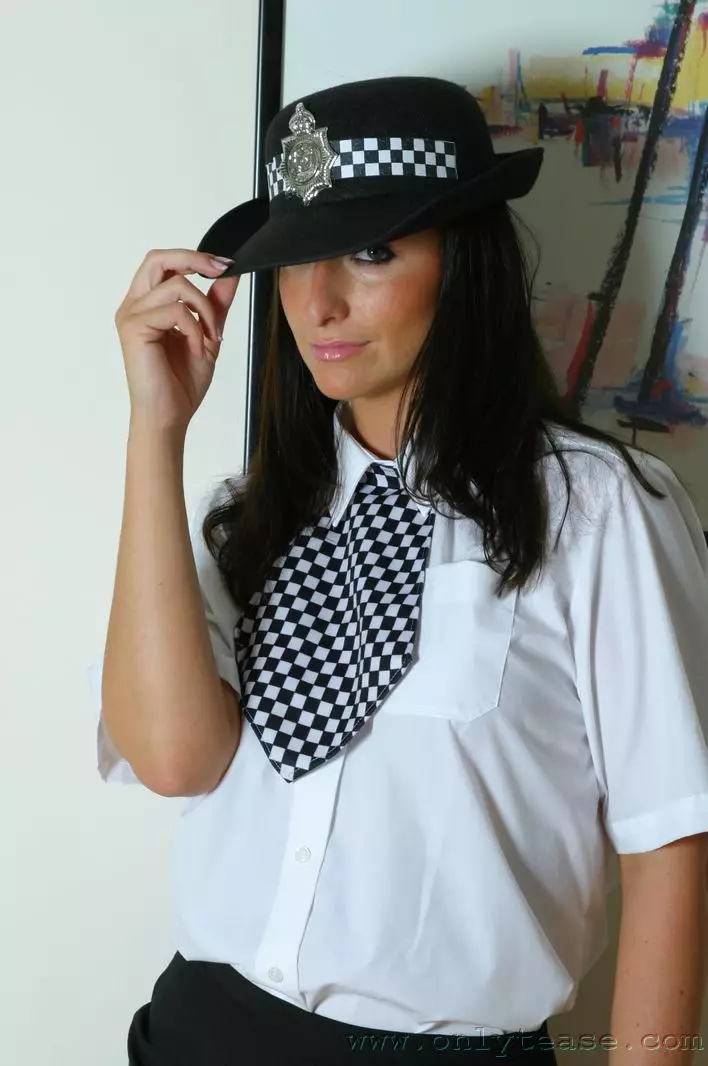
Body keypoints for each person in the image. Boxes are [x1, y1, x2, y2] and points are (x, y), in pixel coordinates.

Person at [91, 76, 708, 1066]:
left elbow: (671, 844)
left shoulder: (596, 510)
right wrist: (155, 430)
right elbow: (173, 761)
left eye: (371, 252)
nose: (319, 302)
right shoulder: (245, 514)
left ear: (463, 263)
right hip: (199, 1032)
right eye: (297, 258)